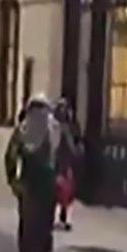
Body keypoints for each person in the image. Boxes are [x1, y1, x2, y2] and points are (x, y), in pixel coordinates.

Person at [5, 95, 72, 252]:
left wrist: (13, 179)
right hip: (43, 184)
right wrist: (62, 173)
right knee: (43, 225)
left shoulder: (25, 129)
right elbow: (67, 153)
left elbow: (11, 156)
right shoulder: (54, 129)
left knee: (29, 226)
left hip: (32, 184)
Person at [53, 98, 81, 231]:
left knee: (62, 191)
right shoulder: (65, 127)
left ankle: (62, 217)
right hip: (62, 162)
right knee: (65, 191)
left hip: (61, 162)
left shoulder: (58, 127)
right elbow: (72, 146)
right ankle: (63, 217)